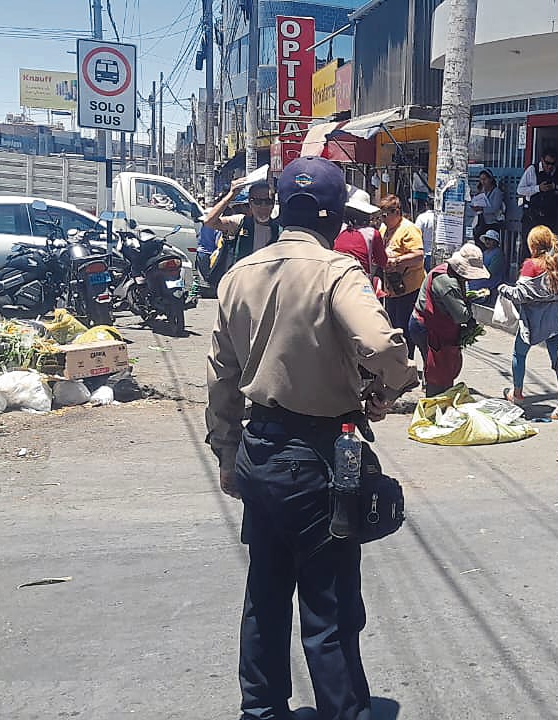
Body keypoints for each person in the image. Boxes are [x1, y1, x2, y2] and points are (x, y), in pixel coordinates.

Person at [206, 156, 419, 720]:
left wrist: (227, 453)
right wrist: (390, 388)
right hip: (321, 459)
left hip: (260, 452)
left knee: (265, 601)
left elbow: (221, 378)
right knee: (329, 611)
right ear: (332, 217)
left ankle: (262, 711)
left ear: (280, 209)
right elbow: (384, 346)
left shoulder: (238, 275)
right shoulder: (337, 272)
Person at [499, 225, 558, 419]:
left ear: (532, 244)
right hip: (555, 320)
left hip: (532, 322)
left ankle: (518, 394)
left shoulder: (530, 265)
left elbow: (520, 294)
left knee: (519, 354)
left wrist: (503, 289)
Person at [408, 244, 490, 396]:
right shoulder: (447, 282)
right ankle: (434, 404)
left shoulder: (452, 275)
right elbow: (461, 315)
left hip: (436, 326)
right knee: (436, 371)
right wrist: (470, 314)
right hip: (427, 327)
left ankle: (439, 398)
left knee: (440, 368)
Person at [379, 195, 426, 360]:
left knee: (405, 328)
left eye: (386, 215)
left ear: (396, 212)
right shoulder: (384, 229)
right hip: (391, 288)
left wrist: (397, 260)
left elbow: (419, 255)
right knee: (392, 326)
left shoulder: (408, 229)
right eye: (381, 215)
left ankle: (408, 361)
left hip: (409, 287)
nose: (383, 219)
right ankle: (396, 362)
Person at [204, 178, 282, 270]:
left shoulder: (279, 229)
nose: (263, 206)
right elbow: (209, 222)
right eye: (257, 202)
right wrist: (231, 195)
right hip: (242, 280)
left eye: (268, 202)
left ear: (273, 204)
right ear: (250, 203)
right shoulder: (239, 222)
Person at [333, 196, 388, 293]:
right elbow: (382, 261)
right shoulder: (372, 233)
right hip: (361, 284)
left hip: (336, 279)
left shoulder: (336, 229)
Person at [518, 149, 558, 237]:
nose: (549, 166)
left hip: (549, 216)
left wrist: (554, 187)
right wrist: (538, 188)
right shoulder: (532, 170)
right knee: (530, 244)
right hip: (532, 216)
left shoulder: (557, 171)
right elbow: (520, 190)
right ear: (542, 160)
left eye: (552, 164)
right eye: (547, 163)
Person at [468, 229, 506, 304]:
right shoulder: (485, 252)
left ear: (495, 242)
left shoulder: (498, 254)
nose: (487, 241)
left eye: (490, 239)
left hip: (491, 281)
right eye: (486, 239)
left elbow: (491, 272)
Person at [471, 169, 507, 241]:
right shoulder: (482, 191)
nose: (482, 182)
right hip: (481, 221)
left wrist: (482, 209)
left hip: (492, 223)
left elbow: (495, 208)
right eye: (481, 179)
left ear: (490, 179)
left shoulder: (497, 192)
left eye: (484, 179)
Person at [415, 199, 437, 272]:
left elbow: (416, 235)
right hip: (438, 255)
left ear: (426, 205)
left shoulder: (422, 217)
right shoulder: (440, 217)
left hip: (426, 254)